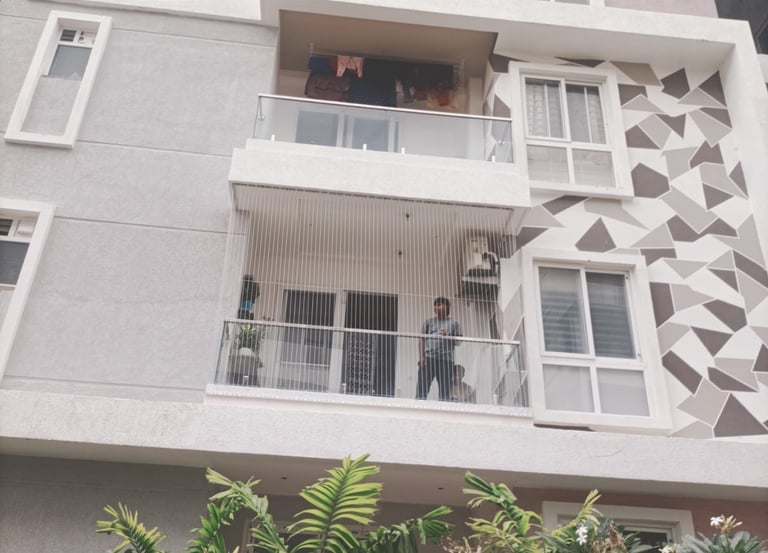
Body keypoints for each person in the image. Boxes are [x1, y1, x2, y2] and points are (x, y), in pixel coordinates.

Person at [417, 297, 462, 400]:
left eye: (440, 304)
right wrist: (421, 357)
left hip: (446, 360)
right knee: (422, 387)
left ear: (447, 307)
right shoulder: (428, 322)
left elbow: (459, 342)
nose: (437, 307)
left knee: (445, 389)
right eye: (435, 305)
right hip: (429, 358)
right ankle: (418, 408)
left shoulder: (454, 323)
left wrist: (447, 336)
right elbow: (421, 340)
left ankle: (444, 411)